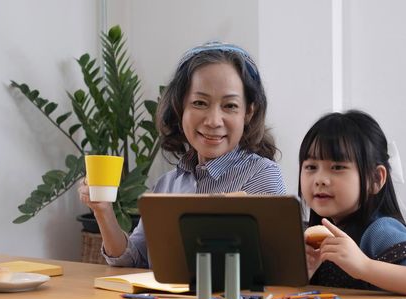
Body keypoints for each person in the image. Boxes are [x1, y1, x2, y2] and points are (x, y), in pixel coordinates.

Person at [79, 42, 287, 268]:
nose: (213, 121)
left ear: (248, 112)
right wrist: (103, 211)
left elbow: (270, 268)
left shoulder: (262, 175)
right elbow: (133, 259)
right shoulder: (167, 185)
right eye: (200, 103)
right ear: (180, 108)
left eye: (229, 106)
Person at [300, 110, 406, 298]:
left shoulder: (380, 231)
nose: (320, 179)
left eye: (338, 167)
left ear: (375, 179)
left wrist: (364, 266)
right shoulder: (313, 233)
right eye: (310, 167)